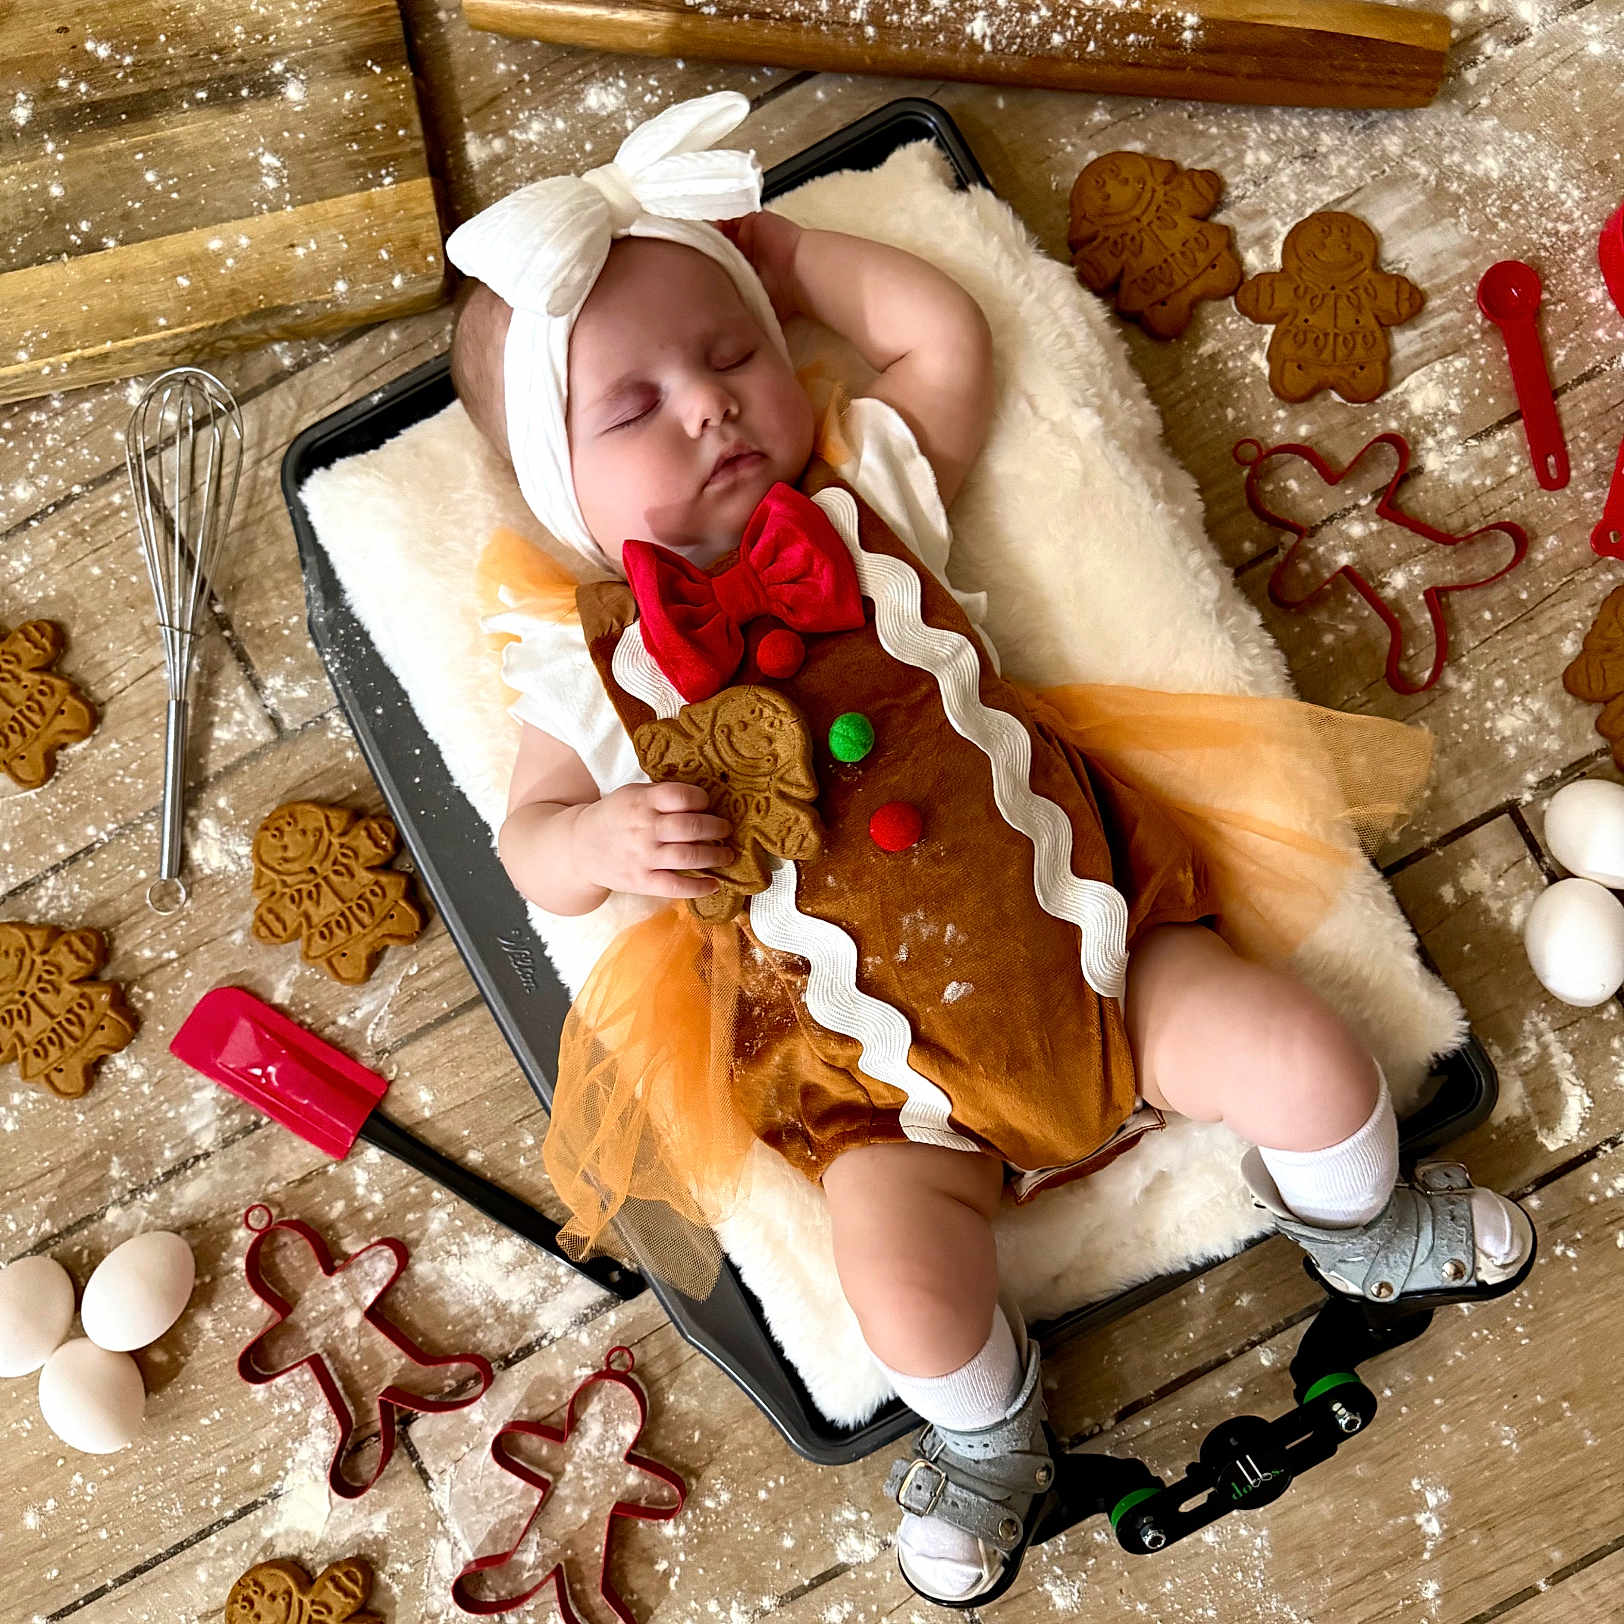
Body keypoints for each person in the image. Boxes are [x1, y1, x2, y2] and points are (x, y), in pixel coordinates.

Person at [444, 93, 1534, 1605]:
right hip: (882, 1093)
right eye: (634, 407)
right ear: (562, 487)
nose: (708, 405)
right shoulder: (592, 666)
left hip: (1101, 954)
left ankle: (1363, 1225)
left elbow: (945, 340)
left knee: (1307, 1060)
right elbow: (532, 850)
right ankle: (988, 1436)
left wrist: (786, 253)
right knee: (899, 1290)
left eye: (732, 350)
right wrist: (610, 835)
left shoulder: (865, 503)